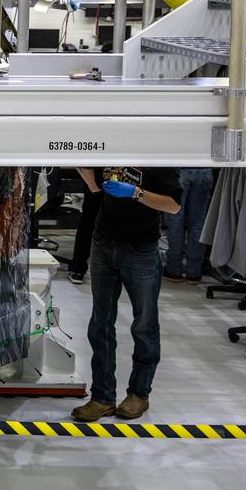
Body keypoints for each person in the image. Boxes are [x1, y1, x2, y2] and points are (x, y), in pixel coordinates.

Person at [71, 166, 181, 423]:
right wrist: (78, 158)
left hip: (141, 249)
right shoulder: (111, 143)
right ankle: (102, 397)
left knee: (144, 325)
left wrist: (136, 193)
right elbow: (95, 185)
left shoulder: (157, 157)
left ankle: (139, 394)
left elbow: (174, 205)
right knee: (100, 324)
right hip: (104, 242)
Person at [163, 168, 214, 283]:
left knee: (175, 221)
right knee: (198, 223)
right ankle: (194, 272)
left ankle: (174, 270)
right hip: (204, 169)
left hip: (179, 169)